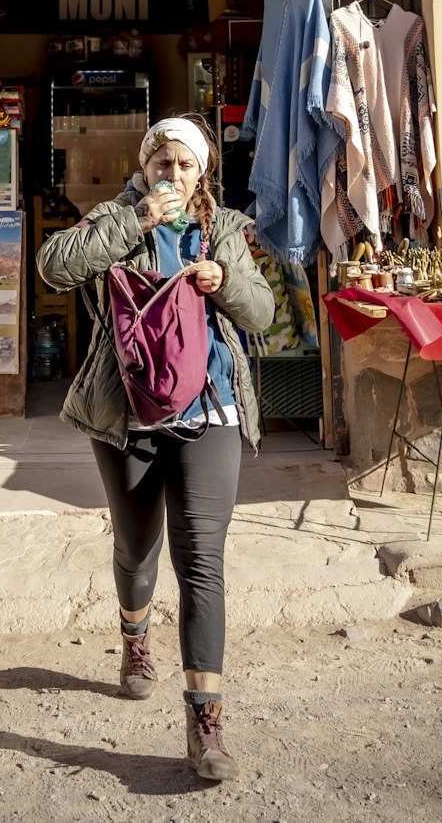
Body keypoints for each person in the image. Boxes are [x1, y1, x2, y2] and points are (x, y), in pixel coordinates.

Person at [36, 114, 275, 782]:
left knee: (200, 557)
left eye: (184, 165)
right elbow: (54, 267)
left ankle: (206, 723)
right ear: (144, 166)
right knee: (137, 546)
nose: (172, 174)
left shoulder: (222, 226)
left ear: (202, 174)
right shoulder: (118, 214)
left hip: (211, 408)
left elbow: (262, 313)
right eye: (161, 162)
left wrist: (222, 279)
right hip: (129, 415)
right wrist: (133, 222)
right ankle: (135, 639)